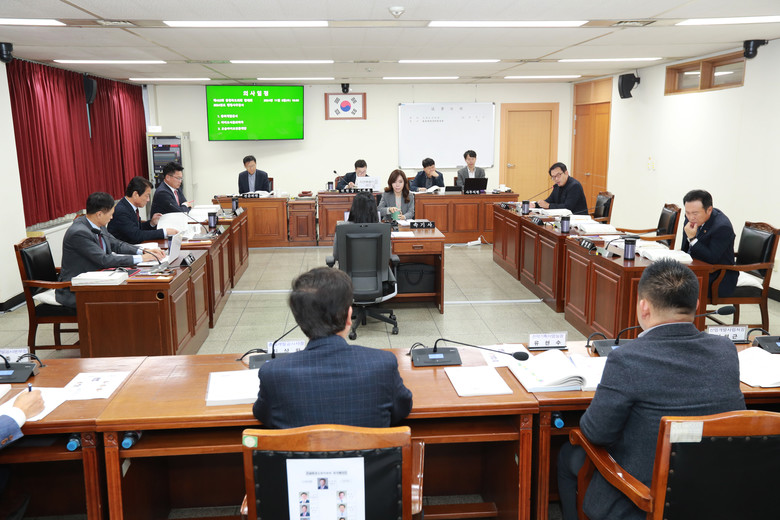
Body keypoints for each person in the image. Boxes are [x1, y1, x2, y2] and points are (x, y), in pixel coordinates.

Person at [557, 259, 745, 520]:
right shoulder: (725, 350)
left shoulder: (627, 358)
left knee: (568, 453)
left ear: (643, 306)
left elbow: (596, 432)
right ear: (696, 304)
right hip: (713, 494)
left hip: (643, 501)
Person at [252, 267, 413, 429]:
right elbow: (402, 409)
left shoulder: (272, 374)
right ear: (349, 316)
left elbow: (262, 415)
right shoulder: (383, 365)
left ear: (299, 320)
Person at [55, 192, 164, 307]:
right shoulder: (79, 233)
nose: (112, 218)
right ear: (99, 214)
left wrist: (143, 251)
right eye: (111, 214)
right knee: (127, 298)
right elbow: (104, 260)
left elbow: (117, 244)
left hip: (98, 279)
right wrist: (141, 258)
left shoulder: (97, 224)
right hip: (76, 289)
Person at [680, 189, 737, 297]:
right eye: (687, 213)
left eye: (695, 213)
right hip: (694, 267)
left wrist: (692, 239)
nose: (691, 217)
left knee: (674, 287)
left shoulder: (722, 227)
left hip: (718, 276)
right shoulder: (690, 217)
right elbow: (685, 248)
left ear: (709, 210)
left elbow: (712, 258)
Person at [108, 176, 179, 244]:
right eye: (147, 196)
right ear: (135, 194)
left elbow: (137, 228)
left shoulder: (129, 206)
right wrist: (164, 232)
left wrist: (151, 223)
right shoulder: (121, 211)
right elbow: (136, 235)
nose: (148, 200)